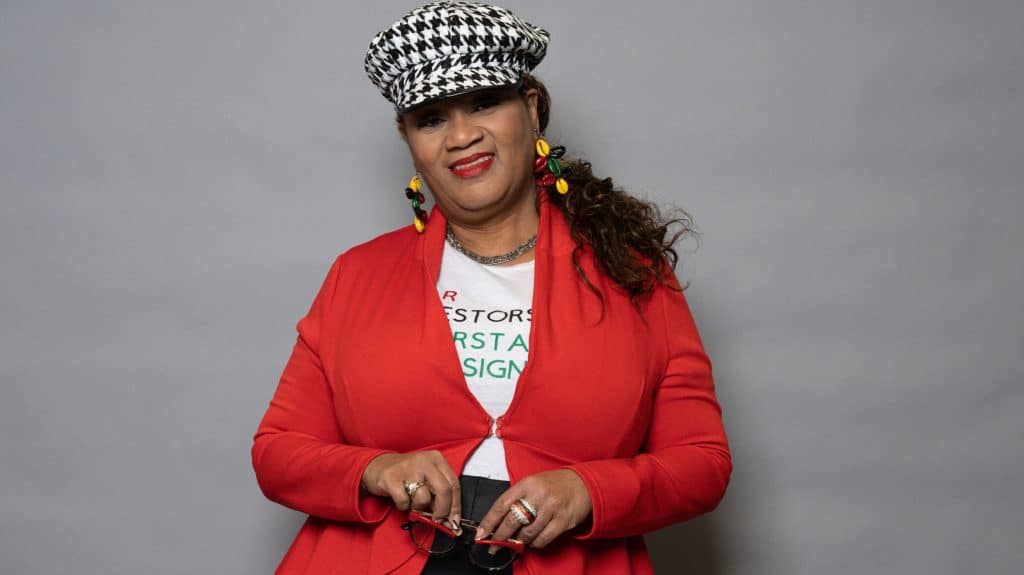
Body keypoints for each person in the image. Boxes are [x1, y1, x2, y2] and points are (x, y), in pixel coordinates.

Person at [251, 1, 731, 573]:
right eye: (431, 118)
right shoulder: (357, 275)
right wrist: (377, 469)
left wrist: (588, 490)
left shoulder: (632, 273)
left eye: (484, 103)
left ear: (530, 109)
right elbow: (277, 451)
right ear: (407, 137)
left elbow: (702, 462)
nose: (461, 136)